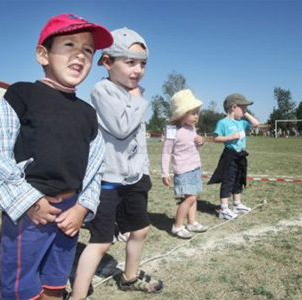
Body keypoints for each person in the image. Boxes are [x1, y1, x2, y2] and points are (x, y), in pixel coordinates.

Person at [0, 13, 113, 300]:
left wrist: (83, 207)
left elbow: (95, 167)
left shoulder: (88, 113)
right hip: (29, 212)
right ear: (43, 54)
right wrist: (28, 202)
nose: (80, 55)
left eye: (88, 49)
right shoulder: (22, 94)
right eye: (70, 44)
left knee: (55, 283)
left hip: (70, 213)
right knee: (21, 288)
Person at [70, 27, 163, 299]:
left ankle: (130, 277)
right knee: (101, 241)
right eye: (130, 62)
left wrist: (143, 171)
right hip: (108, 180)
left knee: (141, 229)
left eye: (143, 64)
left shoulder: (133, 93)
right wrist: (138, 100)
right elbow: (121, 127)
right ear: (107, 62)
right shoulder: (103, 90)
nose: (138, 70)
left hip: (134, 178)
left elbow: (137, 140)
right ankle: (78, 294)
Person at [161, 89, 209, 239]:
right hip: (183, 170)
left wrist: (200, 140)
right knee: (189, 199)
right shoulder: (172, 130)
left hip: (195, 167)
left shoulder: (192, 127)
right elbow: (166, 152)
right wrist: (164, 172)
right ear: (183, 114)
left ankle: (192, 222)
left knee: (194, 196)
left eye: (197, 112)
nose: (197, 116)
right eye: (193, 113)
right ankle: (177, 226)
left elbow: (194, 140)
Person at [208, 93, 260, 220]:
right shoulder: (223, 123)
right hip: (229, 155)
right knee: (228, 180)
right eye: (243, 108)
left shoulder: (241, 122)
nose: (245, 110)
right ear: (233, 107)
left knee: (239, 178)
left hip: (241, 155)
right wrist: (230, 137)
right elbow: (216, 138)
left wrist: (245, 112)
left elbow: (256, 124)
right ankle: (224, 209)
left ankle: (236, 204)